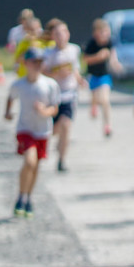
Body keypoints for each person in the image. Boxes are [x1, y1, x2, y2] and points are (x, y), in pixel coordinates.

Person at [4, 47, 61, 218]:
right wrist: (7, 112)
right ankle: (21, 195)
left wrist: (45, 111)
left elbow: (55, 108)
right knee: (30, 161)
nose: (37, 65)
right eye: (33, 62)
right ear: (26, 63)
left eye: (40, 62)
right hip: (25, 129)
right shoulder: (19, 84)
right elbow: (10, 97)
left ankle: (27, 197)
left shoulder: (50, 85)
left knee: (36, 166)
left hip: (42, 130)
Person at [41, 19, 85, 172]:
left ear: (68, 34)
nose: (61, 36)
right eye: (57, 34)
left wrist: (80, 80)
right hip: (53, 95)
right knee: (54, 129)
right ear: (52, 36)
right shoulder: (48, 53)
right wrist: (56, 74)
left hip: (69, 94)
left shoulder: (74, 50)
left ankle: (61, 160)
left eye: (63, 33)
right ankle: (52, 146)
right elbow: (43, 72)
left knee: (66, 125)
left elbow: (75, 69)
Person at [82, 18, 122, 138]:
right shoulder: (91, 44)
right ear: (95, 33)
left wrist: (116, 64)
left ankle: (107, 125)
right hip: (93, 75)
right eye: (102, 32)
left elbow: (113, 56)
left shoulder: (110, 42)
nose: (105, 35)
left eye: (106, 31)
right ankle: (93, 106)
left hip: (104, 75)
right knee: (95, 97)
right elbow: (85, 59)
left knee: (105, 100)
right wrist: (98, 57)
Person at [6, 8, 35, 73]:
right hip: (19, 62)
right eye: (24, 19)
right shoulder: (14, 31)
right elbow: (11, 47)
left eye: (28, 19)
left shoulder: (37, 31)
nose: (26, 21)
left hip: (33, 61)